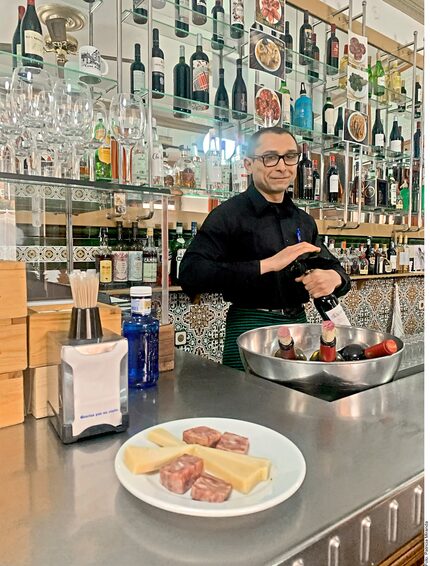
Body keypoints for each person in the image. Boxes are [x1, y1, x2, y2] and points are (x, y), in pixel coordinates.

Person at [179, 127, 351, 370]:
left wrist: (333, 278)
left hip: (298, 326)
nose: (282, 166)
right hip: (250, 325)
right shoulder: (227, 215)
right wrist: (267, 265)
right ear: (248, 164)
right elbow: (190, 274)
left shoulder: (303, 221)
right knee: (244, 403)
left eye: (290, 156)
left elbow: (336, 269)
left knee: (296, 404)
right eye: (270, 158)